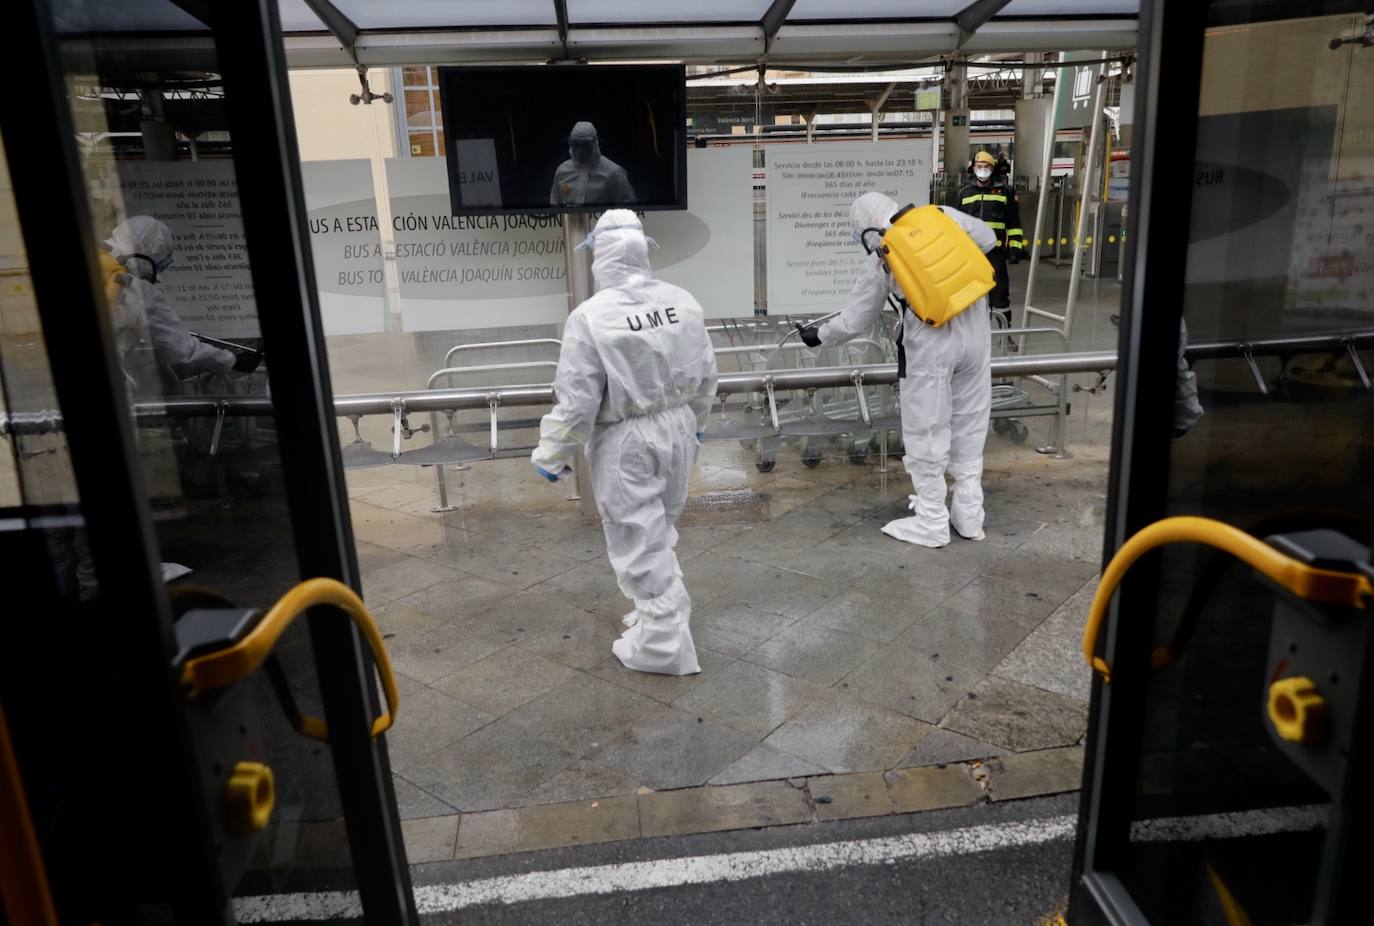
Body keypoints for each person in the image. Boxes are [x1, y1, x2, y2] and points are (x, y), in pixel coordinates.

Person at [531, 210, 718, 675]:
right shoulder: (682, 302)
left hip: (627, 439)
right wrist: (696, 424)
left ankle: (663, 644)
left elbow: (577, 400)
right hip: (677, 430)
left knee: (638, 536)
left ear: (600, 256)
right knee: (661, 525)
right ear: (641, 249)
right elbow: (706, 373)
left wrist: (551, 451)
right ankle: (656, 614)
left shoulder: (590, 316)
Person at [796, 192, 997, 548]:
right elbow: (988, 238)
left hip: (931, 339)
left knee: (927, 428)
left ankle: (932, 519)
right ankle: (969, 515)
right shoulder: (940, 214)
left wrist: (818, 336)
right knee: (971, 418)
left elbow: (855, 321)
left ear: (868, 231)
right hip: (975, 325)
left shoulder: (884, 258)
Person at [104, 216, 260, 384]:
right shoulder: (137, 290)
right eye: (160, 264)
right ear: (142, 249)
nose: (158, 278)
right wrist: (233, 360)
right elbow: (185, 351)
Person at [955, 151, 1025, 326]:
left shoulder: (1006, 192)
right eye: (980, 166)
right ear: (974, 168)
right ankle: (971, 335)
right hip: (970, 254)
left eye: (987, 167)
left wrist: (1016, 248)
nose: (983, 170)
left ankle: (1005, 334)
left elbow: (1014, 223)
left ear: (993, 169)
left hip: (995, 253)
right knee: (968, 295)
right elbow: (955, 224)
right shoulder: (964, 193)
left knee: (1000, 293)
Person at [549, 122, 636, 207]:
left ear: (595, 143)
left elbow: (628, 209)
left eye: (585, 144)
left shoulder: (614, 173)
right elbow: (555, 204)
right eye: (575, 143)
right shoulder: (562, 171)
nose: (579, 150)